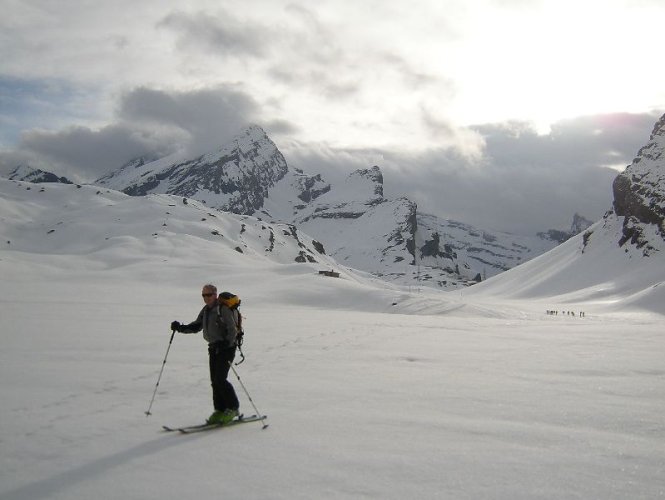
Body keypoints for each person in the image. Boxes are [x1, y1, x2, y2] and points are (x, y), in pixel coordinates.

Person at [171, 284, 240, 425]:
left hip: (226, 349)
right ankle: (220, 410)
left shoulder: (223, 309)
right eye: (203, 295)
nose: (205, 298)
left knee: (220, 379)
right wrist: (180, 328)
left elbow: (233, 330)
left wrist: (226, 343)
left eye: (208, 295)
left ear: (215, 295)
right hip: (213, 348)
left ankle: (233, 408)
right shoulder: (206, 310)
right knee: (214, 380)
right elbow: (196, 326)